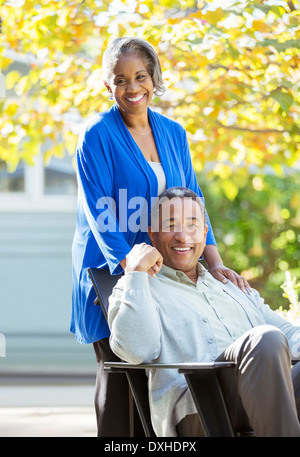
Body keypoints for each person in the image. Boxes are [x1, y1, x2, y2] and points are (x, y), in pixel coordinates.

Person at [70, 37, 250, 436]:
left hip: (166, 270)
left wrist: (214, 261)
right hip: (112, 269)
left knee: (162, 370)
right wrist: (130, 265)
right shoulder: (96, 134)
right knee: (121, 375)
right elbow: (99, 209)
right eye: (120, 79)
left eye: (140, 76)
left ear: (153, 79)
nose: (132, 87)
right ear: (108, 85)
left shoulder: (173, 133)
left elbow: (193, 201)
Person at [108, 187, 300, 437]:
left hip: (265, 394)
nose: (183, 236)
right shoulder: (138, 286)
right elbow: (136, 350)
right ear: (153, 235)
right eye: (171, 225)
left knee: (270, 338)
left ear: (205, 233)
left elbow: (286, 331)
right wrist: (134, 272)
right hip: (199, 406)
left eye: (192, 225)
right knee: (265, 339)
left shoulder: (229, 284)